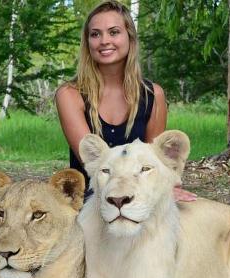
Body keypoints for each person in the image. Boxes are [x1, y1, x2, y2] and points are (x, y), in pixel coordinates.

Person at [55, 0, 196, 202]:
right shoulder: (69, 94)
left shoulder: (153, 95)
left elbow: (152, 162)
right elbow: (93, 163)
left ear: (130, 37)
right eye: (95, 34)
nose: (104, 40)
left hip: (137, 198)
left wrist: (163, 189)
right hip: (90, 200)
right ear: (88, 43)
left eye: (113, 32)